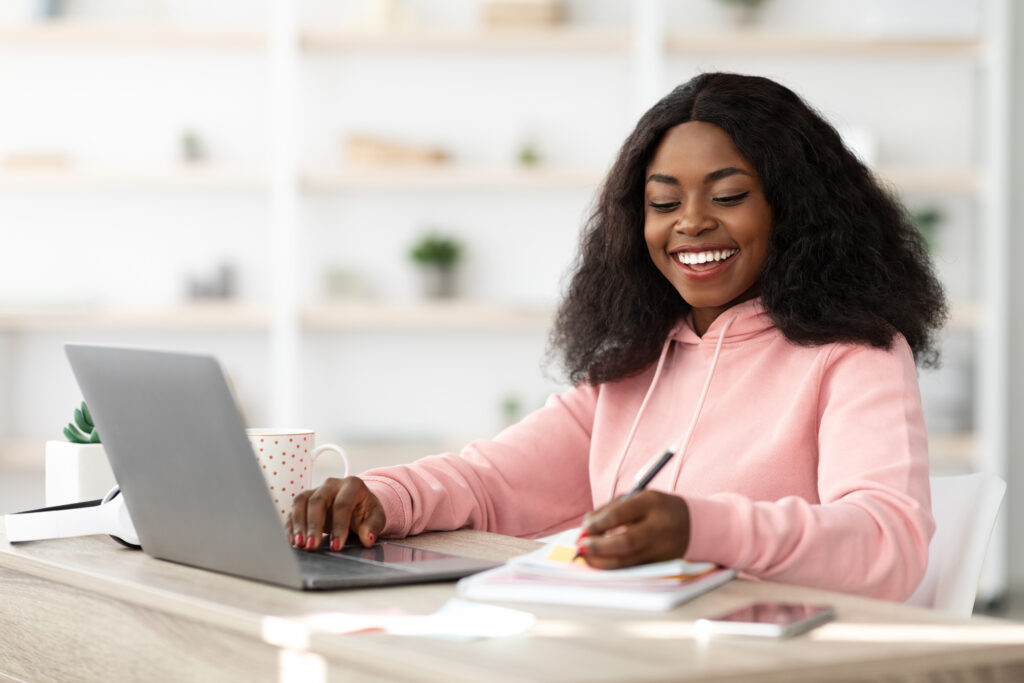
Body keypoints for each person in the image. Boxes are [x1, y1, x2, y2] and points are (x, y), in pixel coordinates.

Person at [288, 72, 947, 601]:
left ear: (794, 210)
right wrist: (376, 495)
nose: (690, 223)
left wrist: (696, 526)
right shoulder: (636, 361)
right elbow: (488, 482)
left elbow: (888, 542)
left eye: (727, 196)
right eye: (664, 204)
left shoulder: (855, 352)